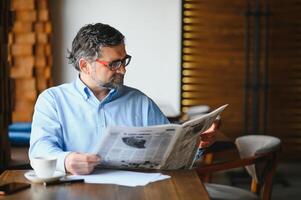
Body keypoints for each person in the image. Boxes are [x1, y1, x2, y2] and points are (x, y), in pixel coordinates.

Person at [29, 23, 219, 175]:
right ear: (85, 66)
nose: (123, 69)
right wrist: (67, 160)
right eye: (114, 64)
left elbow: (169, 154)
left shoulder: (141, 102)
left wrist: (196, 145)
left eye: (124, 60)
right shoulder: (52, 100)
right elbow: (39, 149)